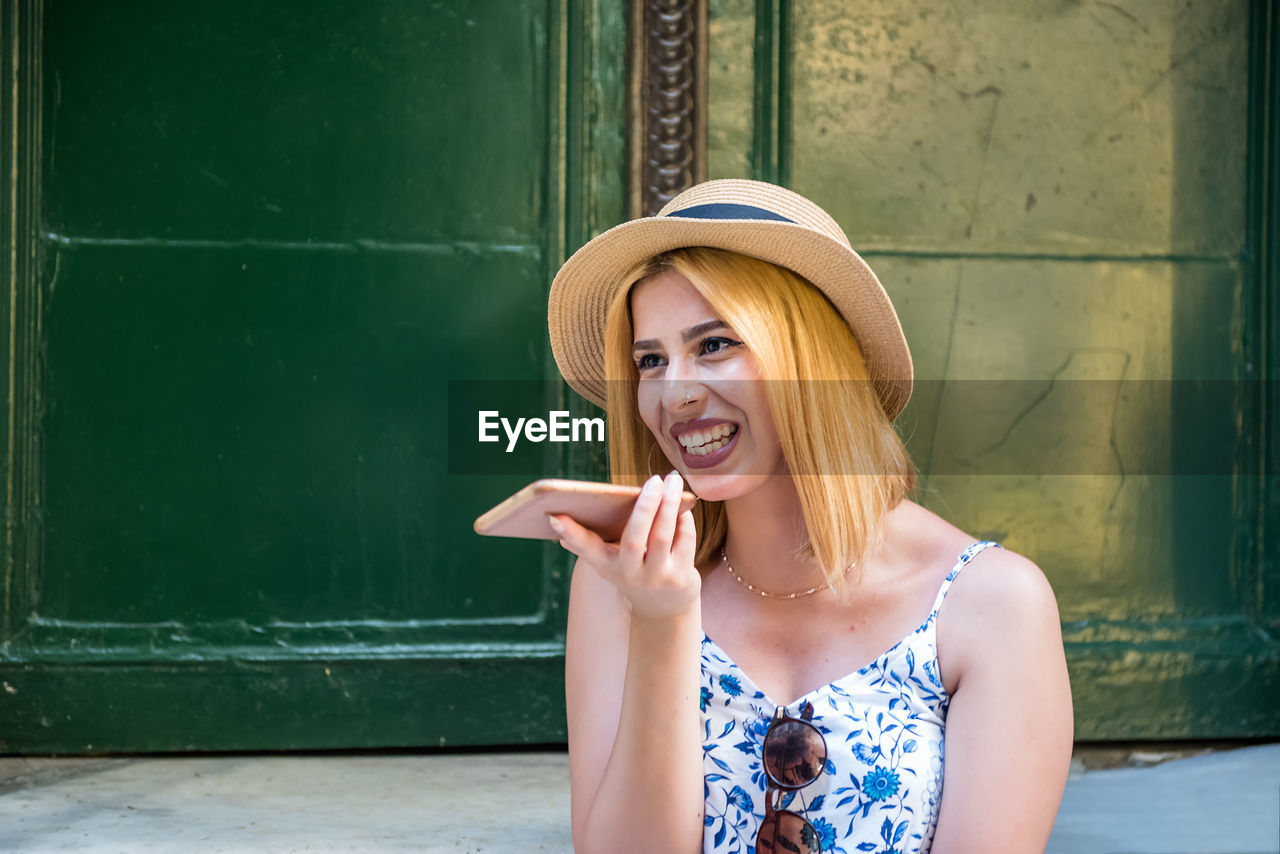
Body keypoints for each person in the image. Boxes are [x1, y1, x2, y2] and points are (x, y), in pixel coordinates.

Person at [545, 179, 1073, 854]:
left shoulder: (992, 603)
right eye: (650, 360)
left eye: (714, 345)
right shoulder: (623, 586)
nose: (672, 393)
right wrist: (663, 625)